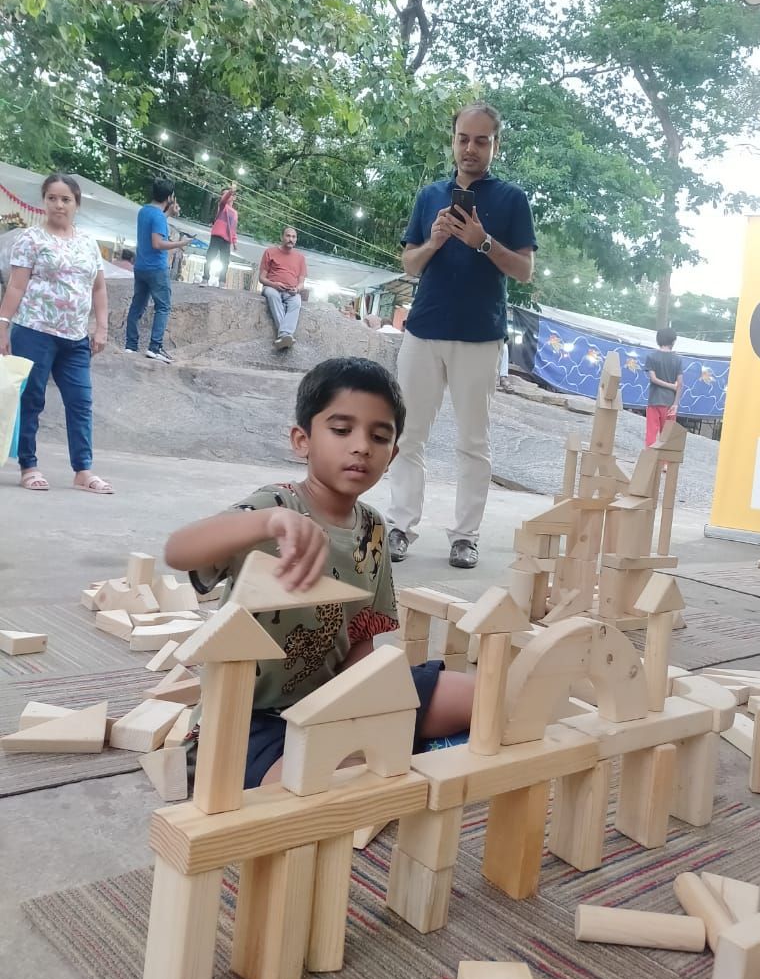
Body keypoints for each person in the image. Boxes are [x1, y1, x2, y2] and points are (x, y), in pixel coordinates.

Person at [164, 356, 474, 787]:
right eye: (342, 430)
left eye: (379, 436)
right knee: (329, 785)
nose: (361, 446)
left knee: (482, 697)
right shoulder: (276, 507)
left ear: (392, 455)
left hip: (335, 698)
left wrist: (363, 709)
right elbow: (177, 551)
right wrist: (266, 522)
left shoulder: (374, 528)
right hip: (253, 719)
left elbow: (361, 636)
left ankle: (389, 749)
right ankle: (394, 755)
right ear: (302, 440)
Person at [387, 103, 536, 570]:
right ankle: (399, 525)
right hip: (424, 330)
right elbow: (409, 264)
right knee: (407, 433)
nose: (471, 148)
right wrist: (434, 242)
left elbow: (525, 271)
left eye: (481, 140)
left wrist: (483, 242)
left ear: (496, 145)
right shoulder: (429, 195)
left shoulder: (512, 199)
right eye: (463, 139)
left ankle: (465, 536)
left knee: (473, 441)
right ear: (452, 141)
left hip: (480, 335)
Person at [0, 173, 112, 493]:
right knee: (32, 400)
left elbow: (99, 288)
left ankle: (83, 469)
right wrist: (3, 325)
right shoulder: (31, 239)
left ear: (77, 204)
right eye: (52, 198)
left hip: (75, 337)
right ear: (44, 201)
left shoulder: (88, 243)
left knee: (81, 401)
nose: (58, 205)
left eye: (66, 199)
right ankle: (29, 466)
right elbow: (16, 285)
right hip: (34, 331)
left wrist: (101, 327)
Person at [123, 176, 192, 364]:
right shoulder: (159, 217)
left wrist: (168, 214)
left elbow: (153, 225)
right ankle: (155, 347)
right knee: (163, 306)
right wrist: (181, 243)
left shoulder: (144, 211)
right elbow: (157, 243)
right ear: (170, 197)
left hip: (141, 266)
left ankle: (130, 345)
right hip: (157, 268)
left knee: (137, 305)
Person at [259, 226, 307, 350]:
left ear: (296, 239)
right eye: (288, 236)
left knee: (297, 301)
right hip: (272, 287)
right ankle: (285, 335)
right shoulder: (269, 252)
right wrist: (274, 284)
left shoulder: (300, 258)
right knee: (272, 295)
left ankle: (283, 336)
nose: (291, 239)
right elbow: (261, 278)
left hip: (291, 291)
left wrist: (297, 289)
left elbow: (302, 283)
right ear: (282, 237)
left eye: (294, 237)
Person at [644, 327, 683, 446]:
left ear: (658, 340)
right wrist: (675, 404)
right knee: (666, 437)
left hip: (654, 401)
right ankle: (664, 459)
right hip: (670, 403)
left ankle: (649, 456)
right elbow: (680, 384)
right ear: (673, 341)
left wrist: (671, 386)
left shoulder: (651, 357)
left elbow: (653, 379)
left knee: (651, 435)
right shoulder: (677, 359)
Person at [200, 188, 238, 287]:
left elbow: (233, 228)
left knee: (225, 260)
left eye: (228, 194)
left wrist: (234, 242)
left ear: (234, 198)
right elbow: (223, 200)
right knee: (210, 257)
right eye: (223, 194)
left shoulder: (235, 213)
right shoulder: (222, 206)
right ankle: (205, 278)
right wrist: (230, 191)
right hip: (217, 235)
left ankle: (222, 281)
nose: (225, 196)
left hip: (227, 239)